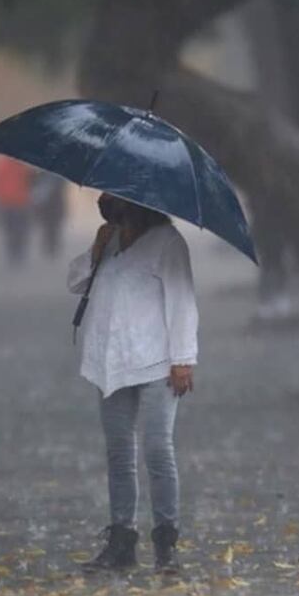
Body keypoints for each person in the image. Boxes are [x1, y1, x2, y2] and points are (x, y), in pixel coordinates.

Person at [67, 193, 198, 571]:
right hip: (110, 360)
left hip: (158, 361)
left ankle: (166, 541)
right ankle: (121, 541)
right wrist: (96, 247)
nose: (106, 203)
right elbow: (75, 282)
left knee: (158, 450)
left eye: (115, 198)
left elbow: (182, 300)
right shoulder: (108, 240)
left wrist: (183, 359)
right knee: (119, 454)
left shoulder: (168, 243)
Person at [0, 156, 33, 267]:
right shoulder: (23, 167)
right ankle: (18, 254)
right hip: (19, 203)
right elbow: (31, 183)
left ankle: (12, 254)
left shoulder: (0, 166)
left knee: (9, 230)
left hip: (6, 204)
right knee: (20, 231)